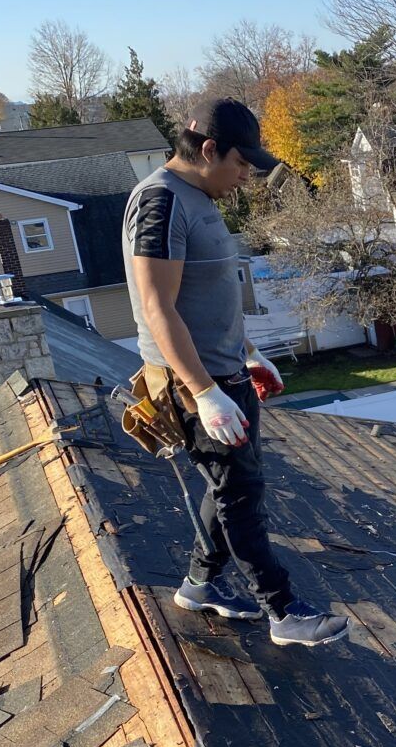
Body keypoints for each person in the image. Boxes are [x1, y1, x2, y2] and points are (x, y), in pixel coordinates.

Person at [122, 97, 348, 647]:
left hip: (225, 372)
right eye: (241, 163)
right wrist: (203, 392)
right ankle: (283, 611)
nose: (247, 176)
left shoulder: (197, 196)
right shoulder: (160, 202)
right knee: (241, 495)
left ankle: (200, 585)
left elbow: (206, 295)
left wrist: (247, 352)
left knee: (228, 488)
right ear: (207, 150)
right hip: (196, 380)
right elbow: (157, 307)